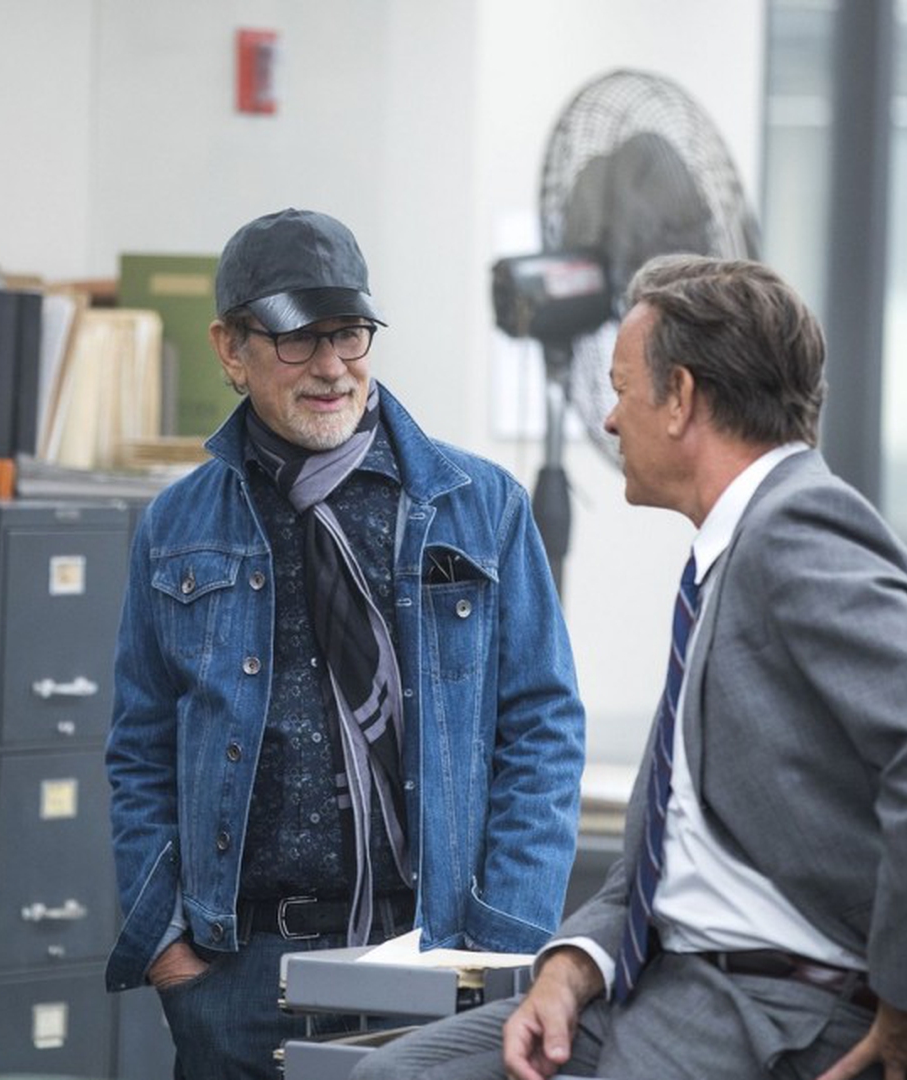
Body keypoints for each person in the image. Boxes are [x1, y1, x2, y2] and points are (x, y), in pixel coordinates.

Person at [351, 256, 907, 1080]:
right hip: (663, 983)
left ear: (679, 396)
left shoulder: (795, 529)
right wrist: (573, 966)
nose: (609, 421)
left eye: (621, 390)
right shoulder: (732, 552)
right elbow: (670, 847)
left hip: (767, 1009)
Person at [105, 207, 588, 1078]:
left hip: (439, 955)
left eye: (350, 335)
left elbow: (542, 731)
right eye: (298, 341)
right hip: (241, 971)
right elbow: (140, 748)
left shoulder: (480, 507)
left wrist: (506, 939)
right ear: (230, 348)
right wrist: (169, 950)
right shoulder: (176, 527)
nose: (331, 367)